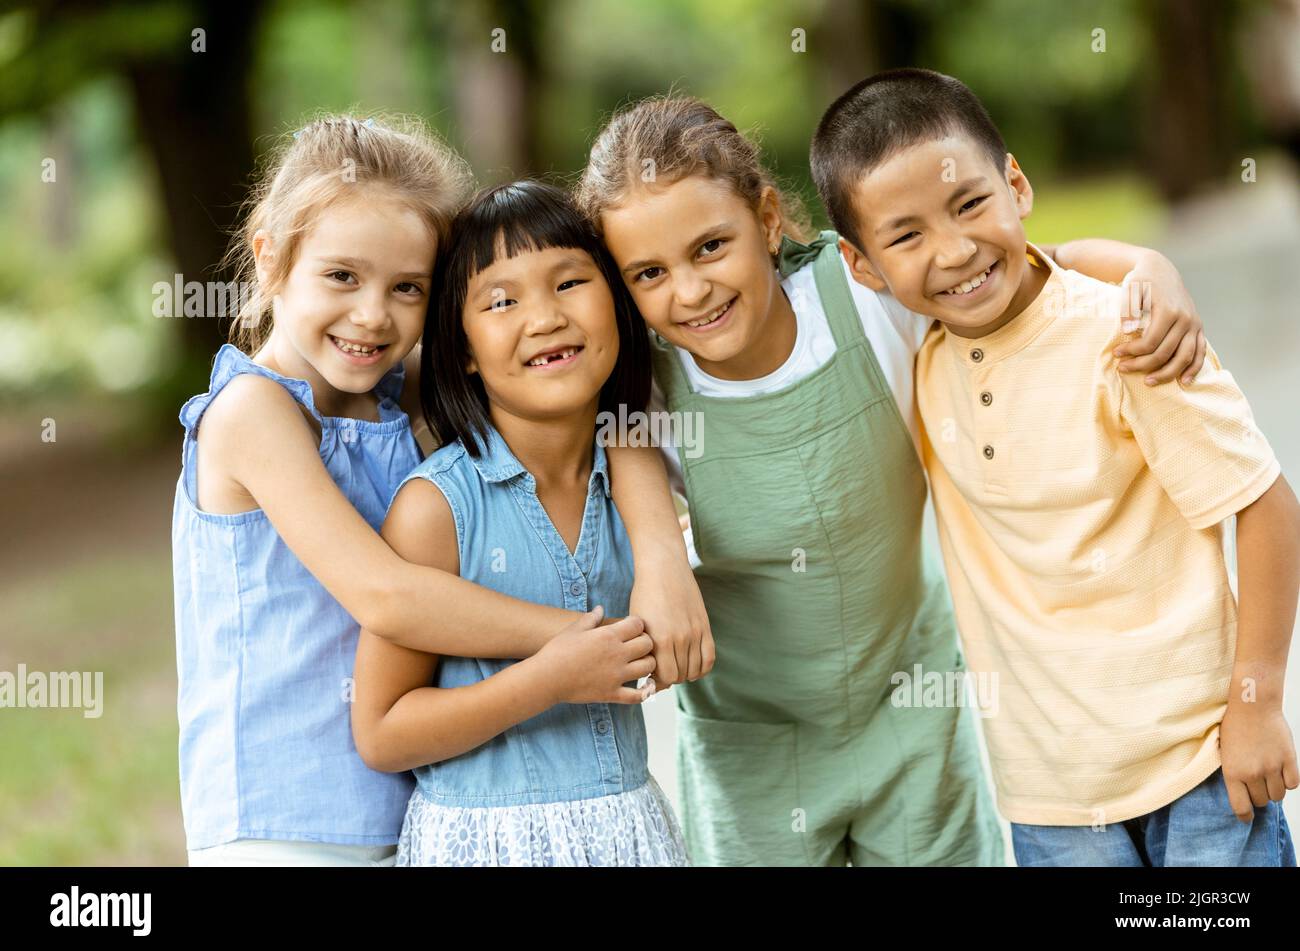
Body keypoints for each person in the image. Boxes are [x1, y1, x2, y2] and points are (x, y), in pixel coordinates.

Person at [575, 94, 1207, 865]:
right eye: (648, 273)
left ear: (768, 220)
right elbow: (610, 436)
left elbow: (1035, 269)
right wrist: (660, 553)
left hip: (911, 713)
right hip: (752, 746)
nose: (690, 291)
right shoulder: (646, 386)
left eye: (712, 247)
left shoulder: (867, 303)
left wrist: (1149, 266)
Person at [173, 116, 708, 866]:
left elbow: (582, 399)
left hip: (407, 804)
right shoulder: (254, 412)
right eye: (341, 276)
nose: (372, 315)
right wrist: (570, 644)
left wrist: (658, 551)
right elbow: (388, 597)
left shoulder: (391, 391)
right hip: (281, 817)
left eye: (407, 289)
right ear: (269, 257)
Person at [812, 67, 1299, 866]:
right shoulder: (915, 359)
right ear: (864, 267)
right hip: (1053, 802)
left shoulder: (1130, 336)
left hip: (1204, 764)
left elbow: (1266, 506)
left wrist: (1257, 704)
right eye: (906, 235)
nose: (955, 248)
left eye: (970, 204)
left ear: (1017, 185)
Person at [351, 181, 688, 866]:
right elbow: (383, 731)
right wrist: (544, 680)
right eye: (501, 301)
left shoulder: (635, 476)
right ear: (464, 348)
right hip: (486, 844)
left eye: (569, 283)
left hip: (629, 833)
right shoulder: (438, 509)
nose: (545, 318)